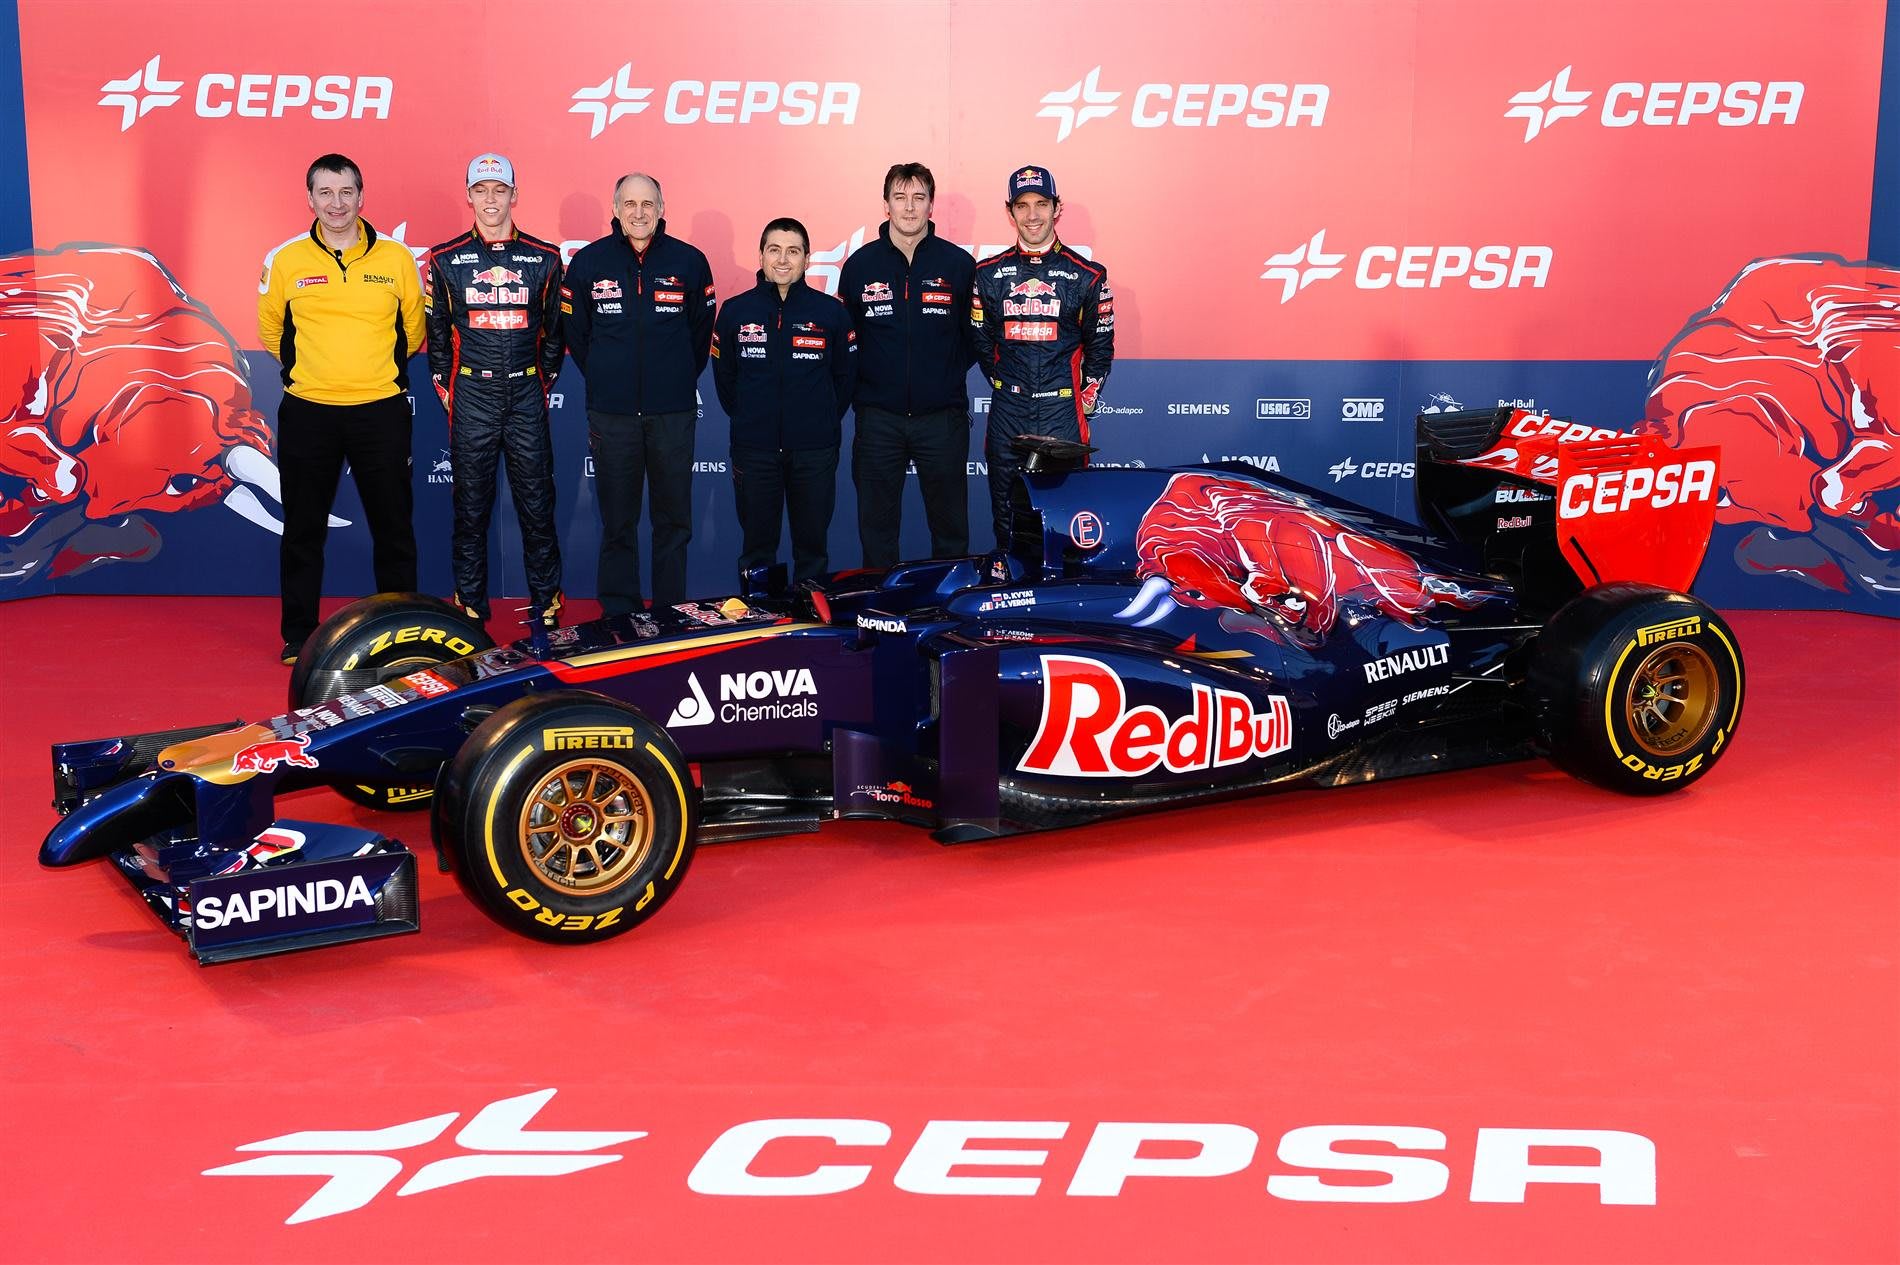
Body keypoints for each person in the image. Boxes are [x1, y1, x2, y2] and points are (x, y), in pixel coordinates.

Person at [259, 152, 426, 664]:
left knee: (393, 528)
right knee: (303, 529)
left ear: (361, 196)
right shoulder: (286, 259)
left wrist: (373, 373)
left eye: (346, 192)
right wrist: (315, 373)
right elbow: (271, 329)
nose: (337, 203)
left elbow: (413, 328)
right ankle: (298, 634)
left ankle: (402, 627)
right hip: (309, 411)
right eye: (326, 193)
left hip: (380, 410)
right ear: (310, 199)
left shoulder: (396, 258)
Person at [423, 153, 566, 627]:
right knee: (470, 509)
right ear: (469, 196)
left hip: (525, 396)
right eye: (481, 190)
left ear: (514, 195)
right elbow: (437, 335)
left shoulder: (545, 258)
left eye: (499, 190)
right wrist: (446, 387)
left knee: (537, 506)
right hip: (472, 397)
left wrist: (540, 382)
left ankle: (546, 604)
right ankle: (469, 605)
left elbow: (554, 334)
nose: (490, 199)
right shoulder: (444, 259)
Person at [561, 173, 715, 614]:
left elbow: (699, 334)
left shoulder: (690, 262)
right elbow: (577, 334)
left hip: (673, 413)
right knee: (617, 523)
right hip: (612, 415)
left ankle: (671, 613)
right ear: (615, 209)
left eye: (648, 203)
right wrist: (608, 376)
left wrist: (675, 377)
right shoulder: (589, 263)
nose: (639, 212)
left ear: (662, 208)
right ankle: (619, 615)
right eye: (629, 203)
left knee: (674, 522)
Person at [838, 162, 976, 569]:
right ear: (886, 205)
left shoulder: (958, 265)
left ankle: (950, 602)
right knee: (877, 532)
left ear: (931, 205)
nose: (910, 207)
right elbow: (848, 342)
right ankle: (881, 602)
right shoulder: (860, 266)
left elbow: (973, 337)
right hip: (878, 419)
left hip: (942, 419)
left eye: (919, 198)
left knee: (951, 531)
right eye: (900, 198)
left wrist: (942, 375)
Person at [970, 164, 1115, 547]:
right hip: (1008, 412)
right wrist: (1007, 385)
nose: (1032, 215)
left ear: (1056, 208)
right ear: (1010, 211)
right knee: (1007, 521)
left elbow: (1100, 348)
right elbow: (982, 342)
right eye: (1022, 205)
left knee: (1068, 527)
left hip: (1061, 413)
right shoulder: (988, 274)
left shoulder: (1088, 275)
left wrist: (1083, 397)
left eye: (1041, 204)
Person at [711, 218, 857, 583]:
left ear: (807, 259)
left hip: (814, 450)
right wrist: (750, 417)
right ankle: (761, 615)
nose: (782, 259)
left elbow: (845, 379)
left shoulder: (832, 313)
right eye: (774, 250)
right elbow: (725, 379)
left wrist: (820, 419)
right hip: (754, 450)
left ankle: (811, 615)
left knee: (812, 549)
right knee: (757, 549)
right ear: (761, 255)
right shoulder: (735, 311)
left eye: (793, 251)